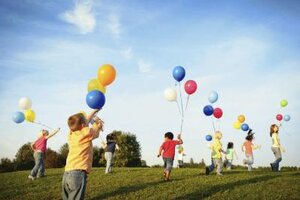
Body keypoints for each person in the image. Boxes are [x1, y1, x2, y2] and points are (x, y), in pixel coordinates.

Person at [62, 110, 103, 200]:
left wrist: (94, 111)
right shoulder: (86, 133)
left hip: (67, 173)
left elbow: (84, 122)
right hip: (78, 173)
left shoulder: (71, 134)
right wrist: (98, 125)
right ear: (83, 125)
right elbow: (95, 132)